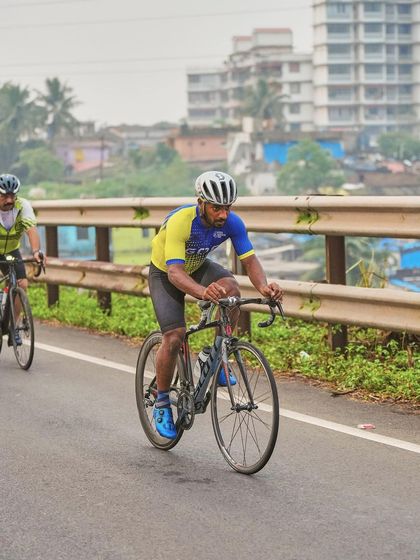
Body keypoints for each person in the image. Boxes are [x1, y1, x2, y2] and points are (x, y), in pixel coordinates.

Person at [148, 170, 283, 439]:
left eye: (227, 208)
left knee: (231, 291)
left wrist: (264, 288)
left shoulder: (232, 222)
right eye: (216, 208)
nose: (222, 214)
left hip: (197, 265)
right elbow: (175, 273)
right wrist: (202, 292)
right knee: (174, 337)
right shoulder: (181, 222)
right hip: (166, 272)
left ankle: (215, 356)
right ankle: (162, 402)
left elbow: (250, 260)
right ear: (201, 203)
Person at [0, 174, 44, 345]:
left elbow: (31, 229)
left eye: (13, 195)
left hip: (11, 250)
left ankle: (13, 326)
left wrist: (36, 251)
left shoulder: (22, 205)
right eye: (4, 196)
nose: (9, 200)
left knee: (21, 284)